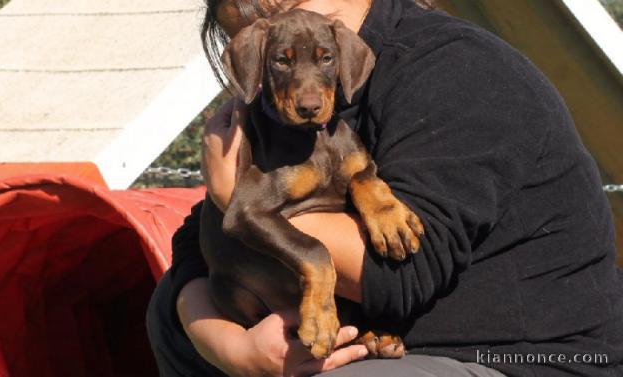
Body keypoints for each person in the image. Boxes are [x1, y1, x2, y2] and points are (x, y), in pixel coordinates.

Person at [146, 0, 623, 376]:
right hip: (366, 341)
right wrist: (226, 345)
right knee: (168, 320)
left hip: (516, 358)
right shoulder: (279, 102)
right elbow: (195, 249)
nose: (292, 88)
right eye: (263, 59)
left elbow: (400, 272)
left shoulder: (455, 70)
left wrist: (235, 195)